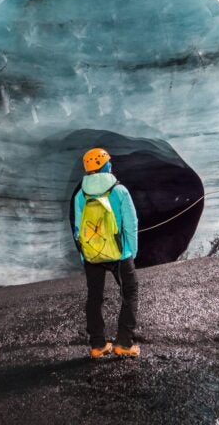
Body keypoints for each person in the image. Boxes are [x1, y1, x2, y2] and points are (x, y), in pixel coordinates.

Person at [73, 148, 140, 358]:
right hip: (119, 254)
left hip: (93, 255)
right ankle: (124, 343)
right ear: (105, 165)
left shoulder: (80, 195)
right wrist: (131, 251)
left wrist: (84, 255)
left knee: (94, 298)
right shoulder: (119, 191)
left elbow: (78, 229)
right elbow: (131, 224)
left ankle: (97, 345)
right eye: (109, 161)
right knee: (129, 294)